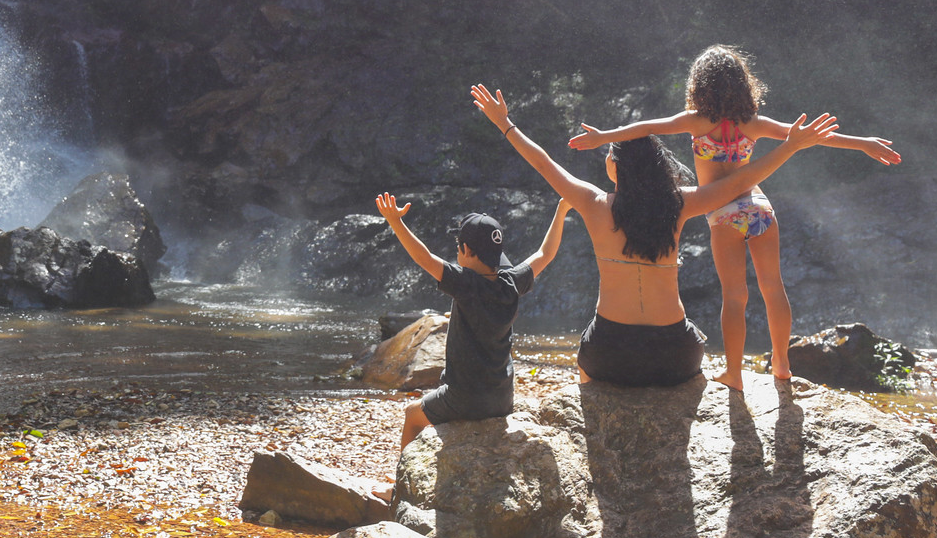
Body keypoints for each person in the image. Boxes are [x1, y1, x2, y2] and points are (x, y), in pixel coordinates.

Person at [566, 45, 901, 387]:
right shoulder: (753, 124)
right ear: (744, 85)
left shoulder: (696, 122)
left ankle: (734, 373)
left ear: (699, 85)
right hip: (759, 207)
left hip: (725, 214)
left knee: (735, 295)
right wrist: (863, 143)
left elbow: (645, 127)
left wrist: (603, 137)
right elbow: (810, 136)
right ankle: (782, 363)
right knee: (773, 288)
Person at [470, 82, 840, 390]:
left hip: (609, 353)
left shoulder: (593, 203)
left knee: (586, 375)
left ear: (615, 166)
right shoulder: (678, 205)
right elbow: (742, 181)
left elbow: (542, 162)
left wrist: (505, 124)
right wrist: (791, 146)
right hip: (676, 355)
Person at [374, 190, 572, 448]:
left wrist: (395, 221)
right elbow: (545, 254)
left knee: (412, 414)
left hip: (465, 397)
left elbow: (423, 257)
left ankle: (398, 489)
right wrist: (562, 209)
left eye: (457, 247)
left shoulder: (464, 283)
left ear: (466, 249)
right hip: (502, 398)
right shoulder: (511, 281)